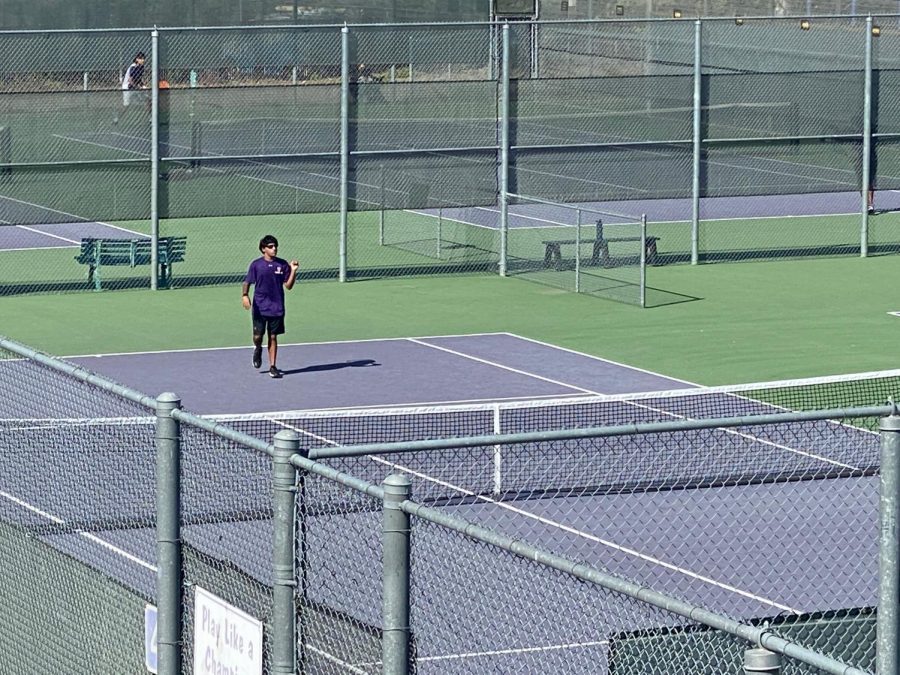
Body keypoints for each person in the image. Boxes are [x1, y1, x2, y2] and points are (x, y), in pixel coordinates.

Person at [242, 235, 299, 378]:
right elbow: (247, 282)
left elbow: (288, 286)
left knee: (273, 337)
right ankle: (257, 348)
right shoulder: (256, 265)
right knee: (258, 336)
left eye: (275, 246)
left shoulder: (282, 265)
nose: (274, 249)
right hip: (260, 307)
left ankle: (273, 366)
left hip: (277, 307)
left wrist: (293, 271)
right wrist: (245, 295)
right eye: (271, 247)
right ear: (263, 249)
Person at [114, 52, 146, 124]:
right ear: (137, 59)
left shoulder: (142, 68)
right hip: (127, 87)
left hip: (135, 87)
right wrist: (137, 87)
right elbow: (130, 80)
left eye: (143, 59)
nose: (143, 60)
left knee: (148, 100)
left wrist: (143, 86)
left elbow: (139, 79)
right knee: (126, 105)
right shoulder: (133, 67)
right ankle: (117, 117)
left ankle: (151, 119)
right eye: (141, 59)